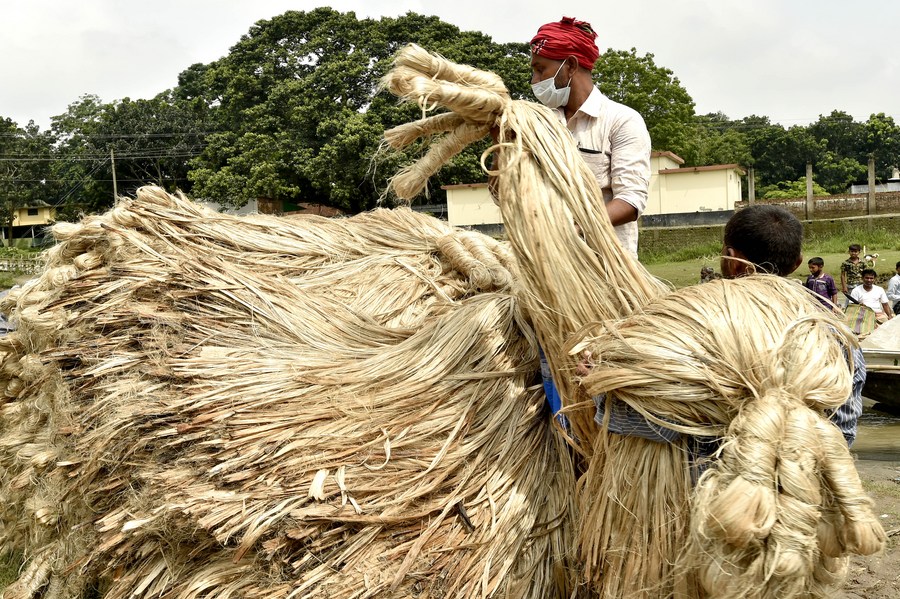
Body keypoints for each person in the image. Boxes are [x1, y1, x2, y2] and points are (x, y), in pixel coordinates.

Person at [587, 205, 863, 449]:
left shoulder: (697, 321)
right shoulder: (836, 333)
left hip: (714, 495)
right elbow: (842, 435)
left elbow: (659, 425)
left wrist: (600, 387)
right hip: (803, 494)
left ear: (731, 259)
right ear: (797, 263)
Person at [528, 16, 651, 259]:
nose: (534, 81)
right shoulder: (540, 124)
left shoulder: (622, 120)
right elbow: (508, 194)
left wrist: (572, 232)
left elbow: (630, 201)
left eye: (540, 69)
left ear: (570, 65)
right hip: (548, 266)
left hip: (609, 268)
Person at [839, 243, 864, 307]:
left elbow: (867, 273)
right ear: (849, 252)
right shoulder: (846, 263)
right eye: (852, 251)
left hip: (861, 284)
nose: (853, 253)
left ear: (859, 252)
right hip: (851, 284)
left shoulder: (863, 262)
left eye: (855, 251)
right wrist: (844, 286)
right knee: (850, 299)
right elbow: (842, 275)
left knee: (862, 299)